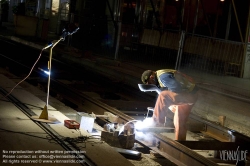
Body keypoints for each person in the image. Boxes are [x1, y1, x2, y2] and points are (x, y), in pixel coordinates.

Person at [141, 69, 199, 141]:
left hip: (187, 95)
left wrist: (170, 103)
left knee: (163, 96)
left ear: (151, 77)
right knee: (179, 122)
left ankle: (156, 122)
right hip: (192, 95)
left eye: (150, 83)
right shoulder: (163, 74)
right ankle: (180, 144)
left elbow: (176, 88)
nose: (152, 85)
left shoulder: (162, 77)